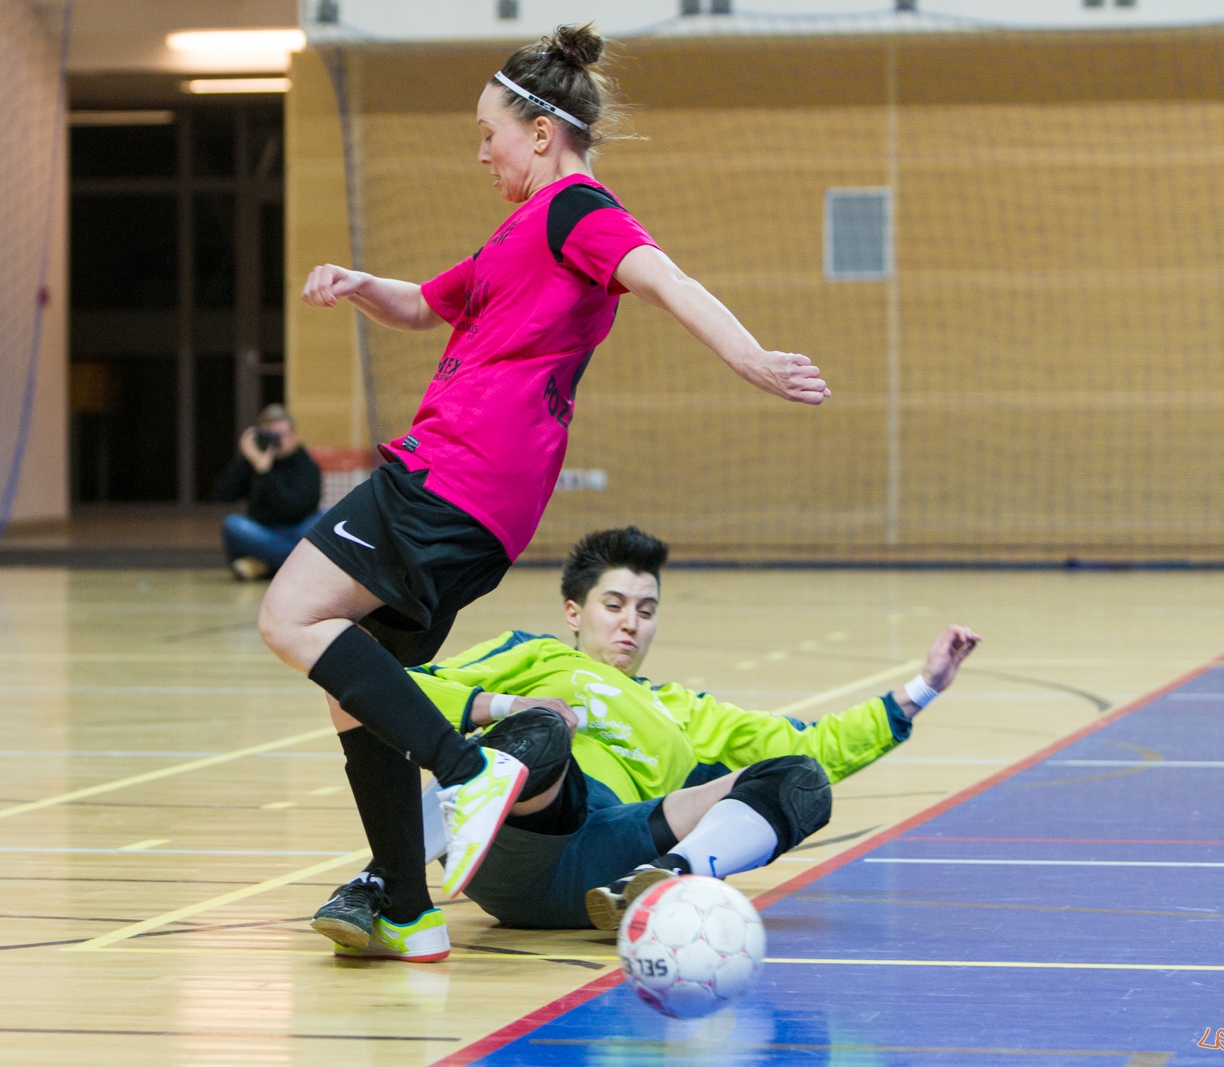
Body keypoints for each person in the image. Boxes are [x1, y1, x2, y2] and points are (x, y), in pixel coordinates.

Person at [256, 23, 831, 964]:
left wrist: (752, 357)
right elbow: (423, 304)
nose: (479, 150)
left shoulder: (578, 212)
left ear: (539, 131)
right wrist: (360, 282)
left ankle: (469, 768)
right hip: (484, 502)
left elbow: (666, 278)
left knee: (290, 618)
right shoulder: (517, 234)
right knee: (356, 693)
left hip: (451, 473)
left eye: (489, 132)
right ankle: (404, 903)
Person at [314, 527, 982, 940]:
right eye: (614, 604)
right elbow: (389, 685)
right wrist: (506, 702)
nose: (631, 622)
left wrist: (921, 688)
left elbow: (815, 741)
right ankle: (384, 883)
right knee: (543, 728)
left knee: (799, 778)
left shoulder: (681, 708)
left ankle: (662, 879)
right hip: (518, 831)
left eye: (647, 609)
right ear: (574, 612)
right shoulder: (537, 655)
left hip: (607, 857)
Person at [212, 404, 324, 580]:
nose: (277, 441)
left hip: (298, 530)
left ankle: (265, 565)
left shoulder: (307, 466)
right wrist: (246, 458)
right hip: (263, 532)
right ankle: (298, 565)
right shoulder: (254, 462)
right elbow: (223, 495)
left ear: (293, 436)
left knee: (326, 517)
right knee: (233, 525)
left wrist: (266, 473)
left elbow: (294, 509)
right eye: (271, 436)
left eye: (282, 435)